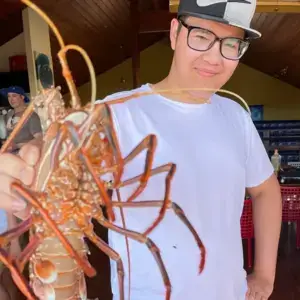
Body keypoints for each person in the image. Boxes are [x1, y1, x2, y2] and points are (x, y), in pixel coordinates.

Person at [0, 0, 282, 300]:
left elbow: (265, 189)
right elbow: (68, 147)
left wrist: (265, 274)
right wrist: (29, 164)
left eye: (231, 44)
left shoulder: (236, 115)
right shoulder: (115, 112)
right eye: (201, 36)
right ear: (175, 33)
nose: (214, 57)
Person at [2, 86, 43, 153]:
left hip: (25, 154)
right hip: (9, 153)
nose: (11, 99)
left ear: (22, 97)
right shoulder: (9, 115)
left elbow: (39, 139)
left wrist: (17, 146)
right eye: (9, 96)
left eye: (14, 96)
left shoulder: (30, 115)